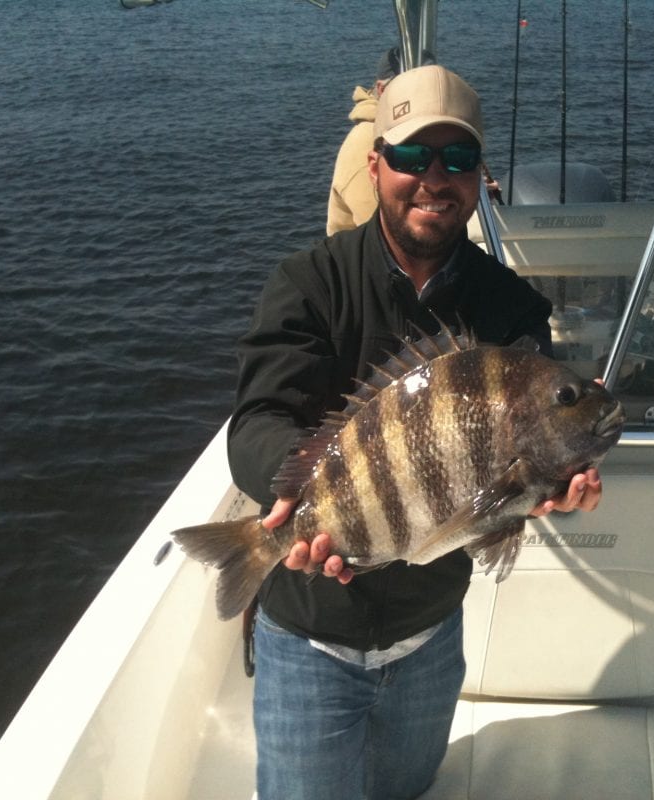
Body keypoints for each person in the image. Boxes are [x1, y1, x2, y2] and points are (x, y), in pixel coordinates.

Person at [228, 64, 604, 800]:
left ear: (478, 177)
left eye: (457, 160)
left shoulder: (510, 308)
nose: (434, 179)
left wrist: (559, 487)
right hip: (308, 639)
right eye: (410, 157)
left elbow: (531, 454)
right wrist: (298, 504)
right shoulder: (308, 283)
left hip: (430, 640)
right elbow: (258, 422)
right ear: (375, 165)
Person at [326, 47, 435, 236]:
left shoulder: (409, 130)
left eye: (430, 85)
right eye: (408, 87)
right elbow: (387, 233)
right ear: (382, 90)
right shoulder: (367, 141)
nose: (423, 94)